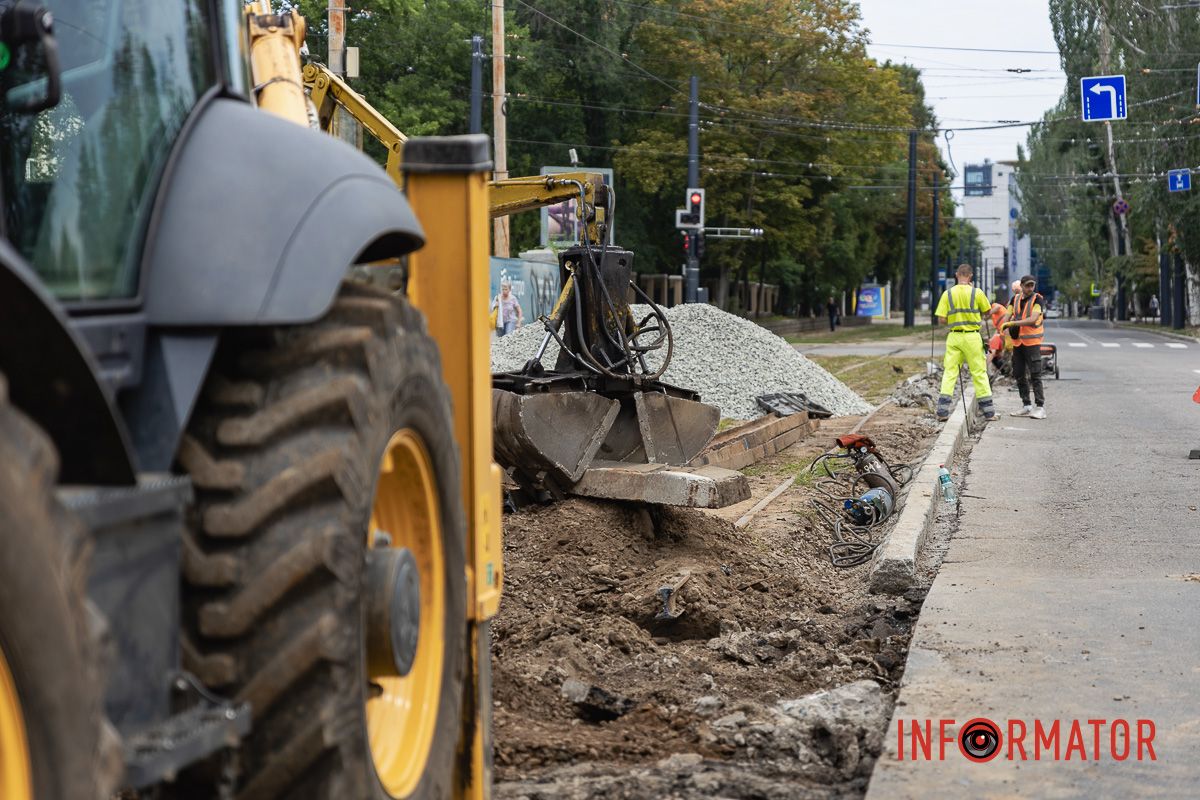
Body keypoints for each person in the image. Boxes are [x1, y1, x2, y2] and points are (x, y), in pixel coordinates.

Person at [934, 263, 996, 422]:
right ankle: (989, 413)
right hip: (972, 337)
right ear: (970, 276)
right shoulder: (977, 293)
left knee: (950, 372)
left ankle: (942, 411)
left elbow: (941, 319)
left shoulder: (947, 294)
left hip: (954, 337)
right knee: (979, 373)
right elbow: (987, 312)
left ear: (956, 275)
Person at [1002, 275, 1046, 419]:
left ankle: (1040, 407)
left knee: (1035, 374)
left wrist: (1013, 324)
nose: (1029, 288)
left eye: (1032, 285)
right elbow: (1006, 316)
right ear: (1021, 286)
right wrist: (1004, 327)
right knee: (1019, 373)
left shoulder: (1037, 299)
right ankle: (1026, 405)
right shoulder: (1014, 299)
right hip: (1018, 343)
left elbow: (1033, 318)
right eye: (1027, 285)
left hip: (1032, 343)